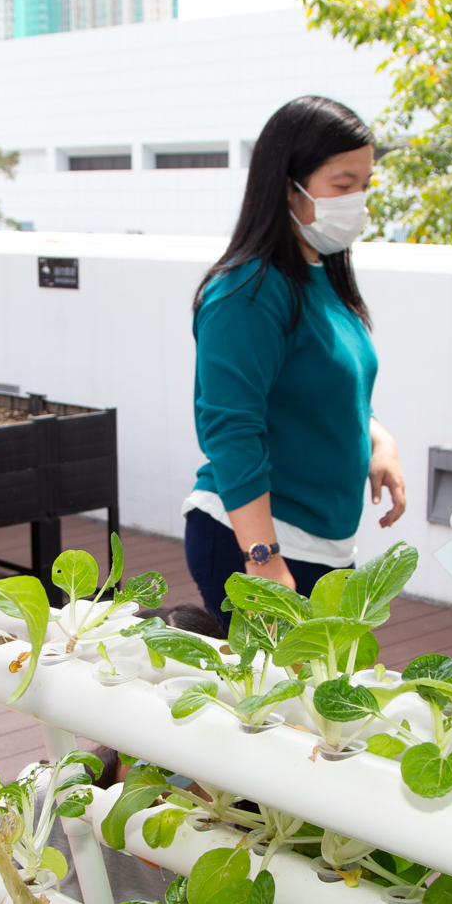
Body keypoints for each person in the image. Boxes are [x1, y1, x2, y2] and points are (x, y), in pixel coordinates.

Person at [183, 95, 408, 619]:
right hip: (259, 541)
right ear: (289, 186)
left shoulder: (322, 275)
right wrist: (262, 560)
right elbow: (231, 430)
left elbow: (324, 387)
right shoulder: (247, 294)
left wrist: (380, 440)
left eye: (366, 185)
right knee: (284, 699)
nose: (359, 200)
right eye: (343, 185)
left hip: (323, 547)